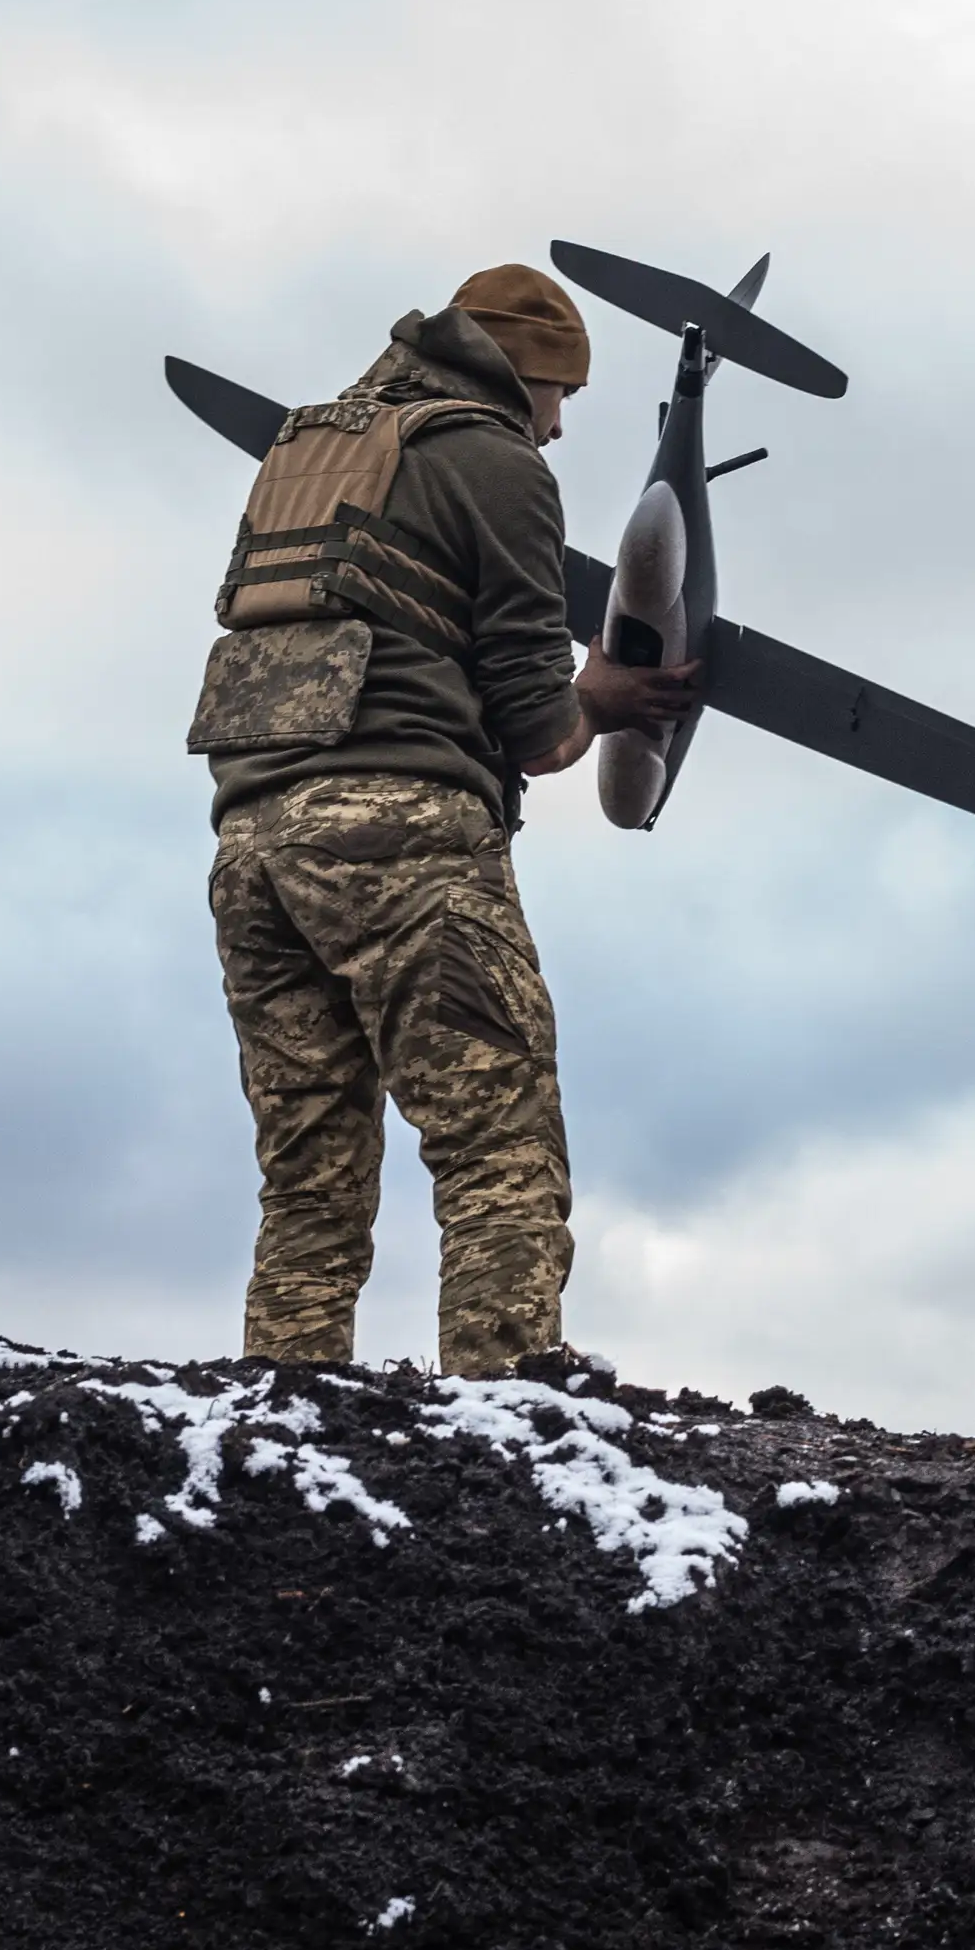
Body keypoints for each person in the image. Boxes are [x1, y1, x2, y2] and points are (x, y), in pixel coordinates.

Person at [187, 262, 698, 1373]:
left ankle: (286, 1429)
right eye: (561, 396)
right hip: (401, 838)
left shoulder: (309, 451)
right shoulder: (494, 457)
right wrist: (601, 701)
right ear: (526, 376)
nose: (559, 429)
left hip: (250, 848)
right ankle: (504, 1432)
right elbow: (535, 728)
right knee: (498, 1149)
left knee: (310, 1179)